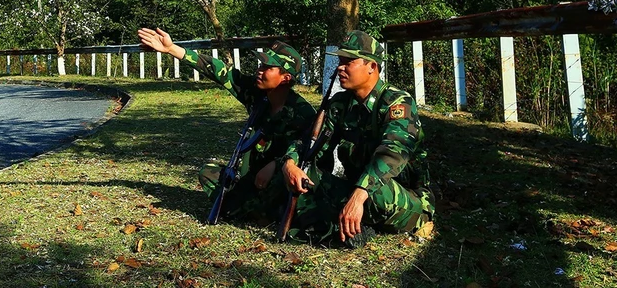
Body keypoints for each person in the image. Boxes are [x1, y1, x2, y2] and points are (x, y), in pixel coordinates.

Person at [137, 27, 315, 222]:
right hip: (252, 177)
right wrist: (171, 49)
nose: (259, 70)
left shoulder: (302, 112)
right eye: (261, 65)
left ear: (285, 78)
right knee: (209, 172)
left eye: (267, 67)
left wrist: (278, 164)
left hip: (280, 181)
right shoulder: (257, 94)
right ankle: (245, 207)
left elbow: (305, 148)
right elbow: (218, 71)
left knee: (280, 187)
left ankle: (254, 210)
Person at [281, 30, 434, 247]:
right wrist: (290, 163)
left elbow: (393, 151)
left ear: (372, 66)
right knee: (306, 177)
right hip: (356, 188)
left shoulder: (397, 102)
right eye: (340, 62)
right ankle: (346, 222)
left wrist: (360, 194)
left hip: (403, 195)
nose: (340, 68)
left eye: (349, 62)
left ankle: (343, 220)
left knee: (377, 194)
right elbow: (312, 143)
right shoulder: (340, 105)